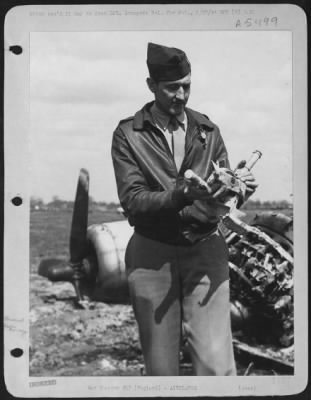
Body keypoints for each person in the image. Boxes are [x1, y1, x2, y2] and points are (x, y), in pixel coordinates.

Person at [111, 42, 257, 376]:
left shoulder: (209, 130)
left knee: (217, 365)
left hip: (206, 251)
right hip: (151, 256)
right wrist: (181, 195)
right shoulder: (126, 134)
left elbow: (223, 193)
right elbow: (133, 200)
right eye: (172, 88)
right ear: (151, 86)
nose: (181, 95)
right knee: (161, 369)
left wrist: (238, 188)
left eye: (187, 86)